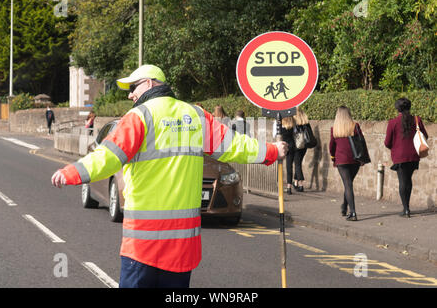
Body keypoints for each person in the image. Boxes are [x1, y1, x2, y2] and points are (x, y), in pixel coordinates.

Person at [51, 64, 287, 288]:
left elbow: (107, 156)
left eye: (133, 88)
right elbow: (235, 144)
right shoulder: (195, 116)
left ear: (151, 83)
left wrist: (71, 172)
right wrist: (272, 150)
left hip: (143, 245)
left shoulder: (139, 117)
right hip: (182, 247)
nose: (130, 95)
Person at [384, 98, 428, 218]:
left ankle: (406, 209)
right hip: (414, 155)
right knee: (408, 180)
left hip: (400, 156)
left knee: (403, 181)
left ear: (397, 108)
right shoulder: (417, 119)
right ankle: (407, 207)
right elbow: (425, 136)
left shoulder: (393, 122)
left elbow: (387, 142)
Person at [329, 106, 365, 221]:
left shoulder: (334, 128)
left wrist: (333, 157)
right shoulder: (355, 126)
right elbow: (361, 141)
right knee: (349, 184)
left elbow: (331, 146)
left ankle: (353, 212)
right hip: (355, 159)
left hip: (341, 160)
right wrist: (363, 157)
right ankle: (345, 206)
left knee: (348, 184)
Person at [291, 108, 311, 192]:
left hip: (297, 145)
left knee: (297, 164)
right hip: (304, 145)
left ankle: (301, 184)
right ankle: (295, 182)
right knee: (298, 163)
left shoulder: (294, 122)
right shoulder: (305, 122)